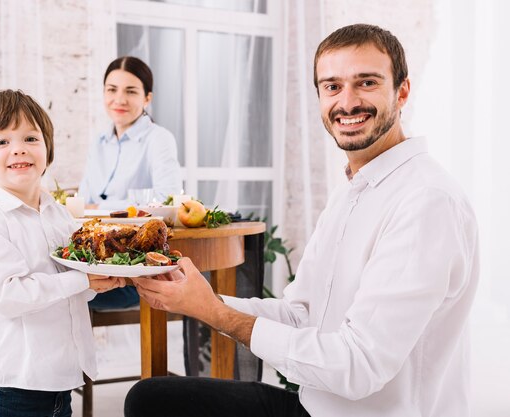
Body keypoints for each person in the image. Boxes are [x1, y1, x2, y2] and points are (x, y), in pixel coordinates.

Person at [126, 24, 479, 417]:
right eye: (332, 86)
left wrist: (214, 313)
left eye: (366, 82)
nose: (347, 102)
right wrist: (200, 299)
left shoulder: (426, 201)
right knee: (149, 399)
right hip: (315, 406)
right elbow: (300, 314)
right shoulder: (354, 189)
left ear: (402, 91)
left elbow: (358, 367)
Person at [0, 89, 127, 417]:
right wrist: (81, 280)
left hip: (57, 377)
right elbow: (8, 295)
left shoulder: (59, 215)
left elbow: (69, 285)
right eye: (2, 142)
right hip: (13, 381)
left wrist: (97, 282)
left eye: (30, 138)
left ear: (48, 152)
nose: (18, 148)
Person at [80, 56, 182, 310]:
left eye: (131, 91)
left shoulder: (158, 139)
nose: (119, 99)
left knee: (62, 293)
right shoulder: (99, 142)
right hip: (95, 256)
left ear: (147, 98)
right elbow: (83, 202)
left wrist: (98, 209)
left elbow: (166, 199)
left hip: (133, 268)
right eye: (112, 90)